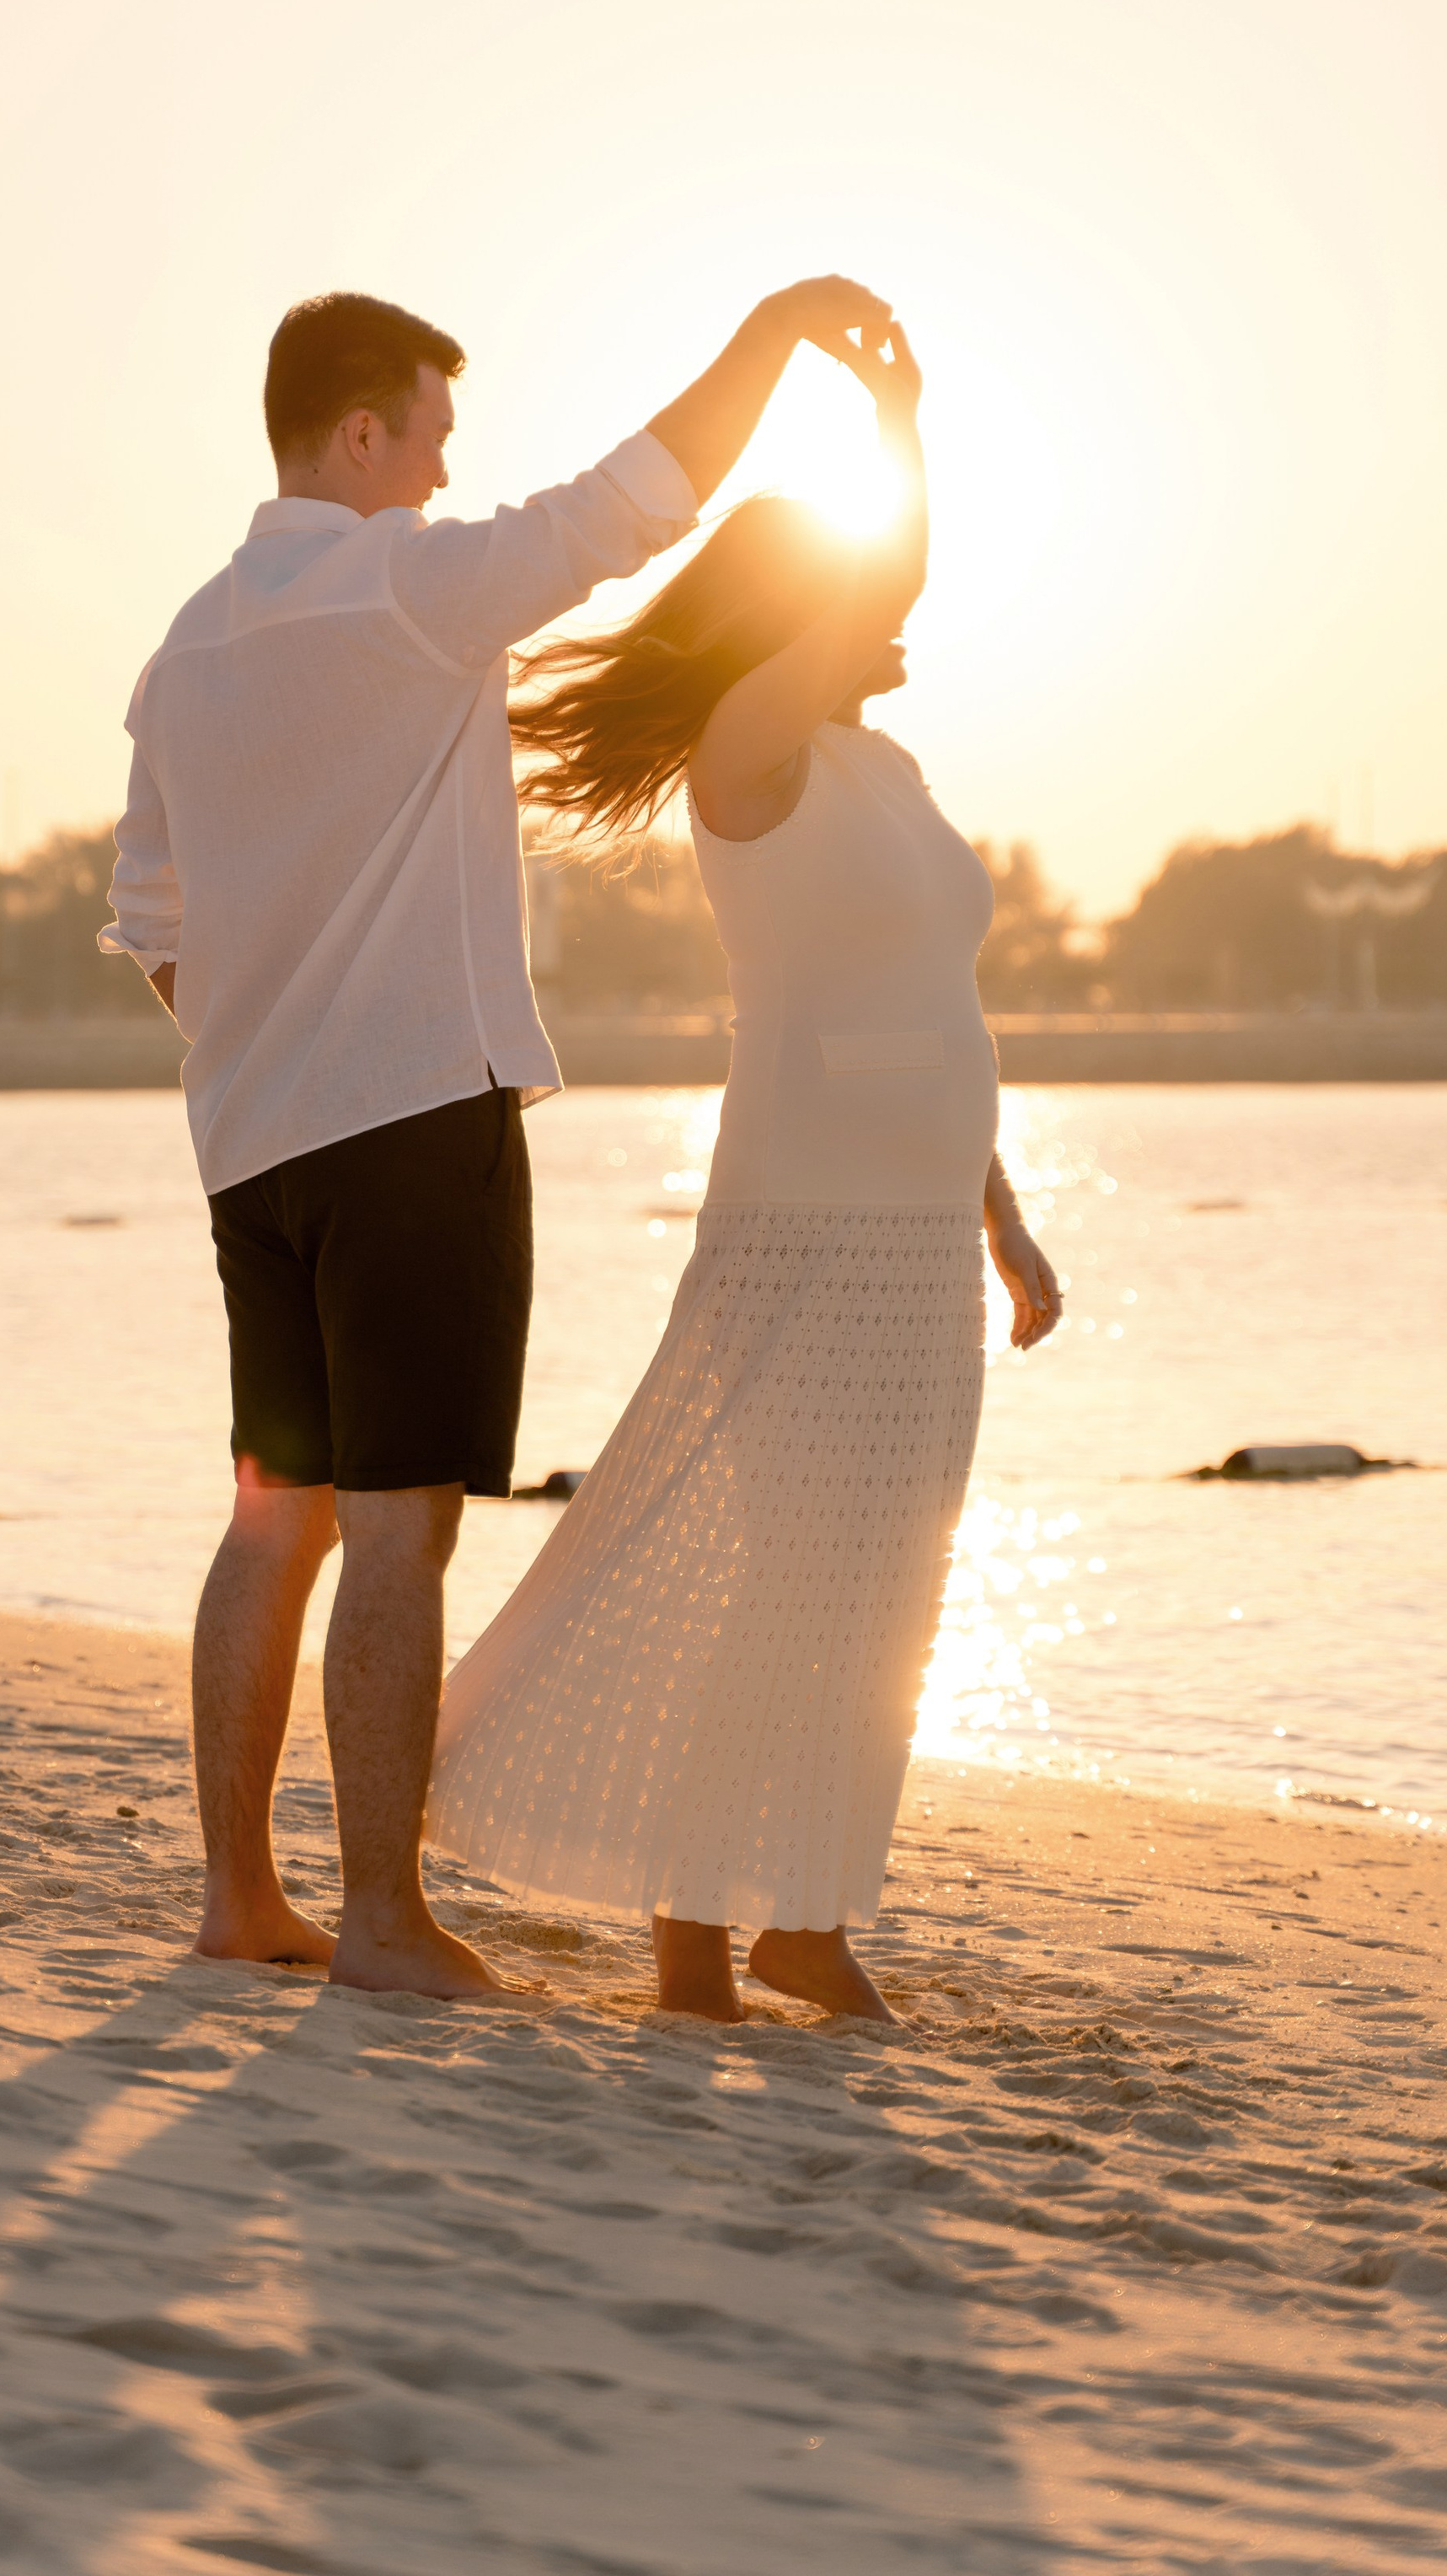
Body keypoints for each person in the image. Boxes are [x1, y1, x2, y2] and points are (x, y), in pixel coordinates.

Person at [99, 277, 897, 2001]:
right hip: (407, 1128)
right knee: (398, 1529)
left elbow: (148, 921)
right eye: (433, 440)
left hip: (252, 1145)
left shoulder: (185, 651)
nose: (449, 474)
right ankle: (380, 1919)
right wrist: (771, 333)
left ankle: (241, 1899)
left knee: (271, 1520)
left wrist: (261, 1048)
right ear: (361, 431)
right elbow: (631, 503)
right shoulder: (400, 590)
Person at [426, 314, 1063, 2021]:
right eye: (867, 605)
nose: (900, 627)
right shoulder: (748, 764)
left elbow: (934, 1005)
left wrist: (1003, 1225)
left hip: (921, 1229)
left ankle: (806, 1914)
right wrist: (900, 424)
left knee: (880, 1590)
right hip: (809, 1226)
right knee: (773, 1568)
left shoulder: (886, 773)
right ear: (801, 619)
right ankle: (696, 1941)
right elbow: (876, 584)